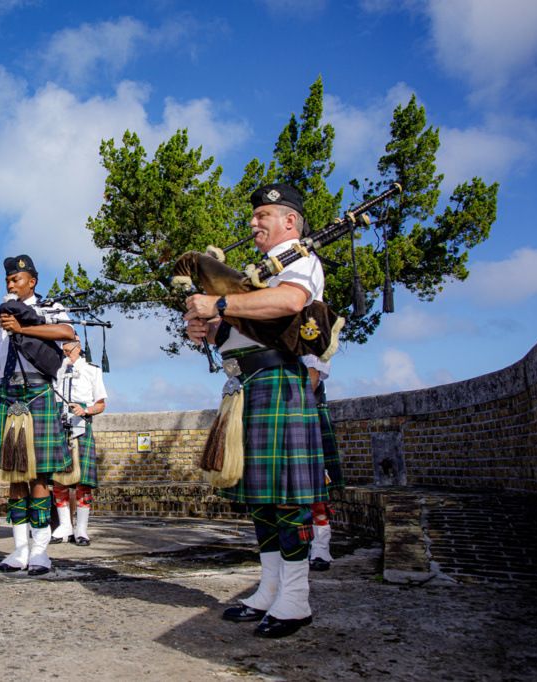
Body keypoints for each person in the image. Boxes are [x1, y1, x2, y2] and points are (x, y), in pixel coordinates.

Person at [184, 183, 327, 639]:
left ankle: (296, 598)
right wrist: (204, 326)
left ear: (289, 220)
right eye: (254, 215)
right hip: (244, 384)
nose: (253, 222)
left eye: (263, 214)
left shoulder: (301, 258)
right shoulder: (254, 274)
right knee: (261, 498)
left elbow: (289, 302)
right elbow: (229, 330)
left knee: (287, 497)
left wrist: (220, 303)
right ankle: (269, 588)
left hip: (279, 379)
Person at [0, 254, 75, 576]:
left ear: (32, 282)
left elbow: (67, 333)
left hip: (39, 392)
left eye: (16, 280)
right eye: (8, 281)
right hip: (10, 395)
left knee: (39, 475)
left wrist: (24, 327)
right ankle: (18, 550)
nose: (11, 284)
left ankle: (40, 551)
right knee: (14, 475)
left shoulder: (48, 307)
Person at [51, 335, 107, 546]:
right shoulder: (56, 369)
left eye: (69, 349)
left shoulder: (93, 370)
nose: (65, 353)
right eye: (63, 349)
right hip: (58, 423)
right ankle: (65, 526)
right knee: (59, 478)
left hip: (81, 425)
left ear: (78, 346)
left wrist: (86, 410)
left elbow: (100, 404)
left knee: (83, 481)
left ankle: (82, 529)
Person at [303, 355, 345, 571]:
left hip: (306, 410)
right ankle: (294, 545)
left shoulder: (312, 329)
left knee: (316, 485)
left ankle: (320, 549)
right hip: (280, 410)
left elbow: (313, 374)